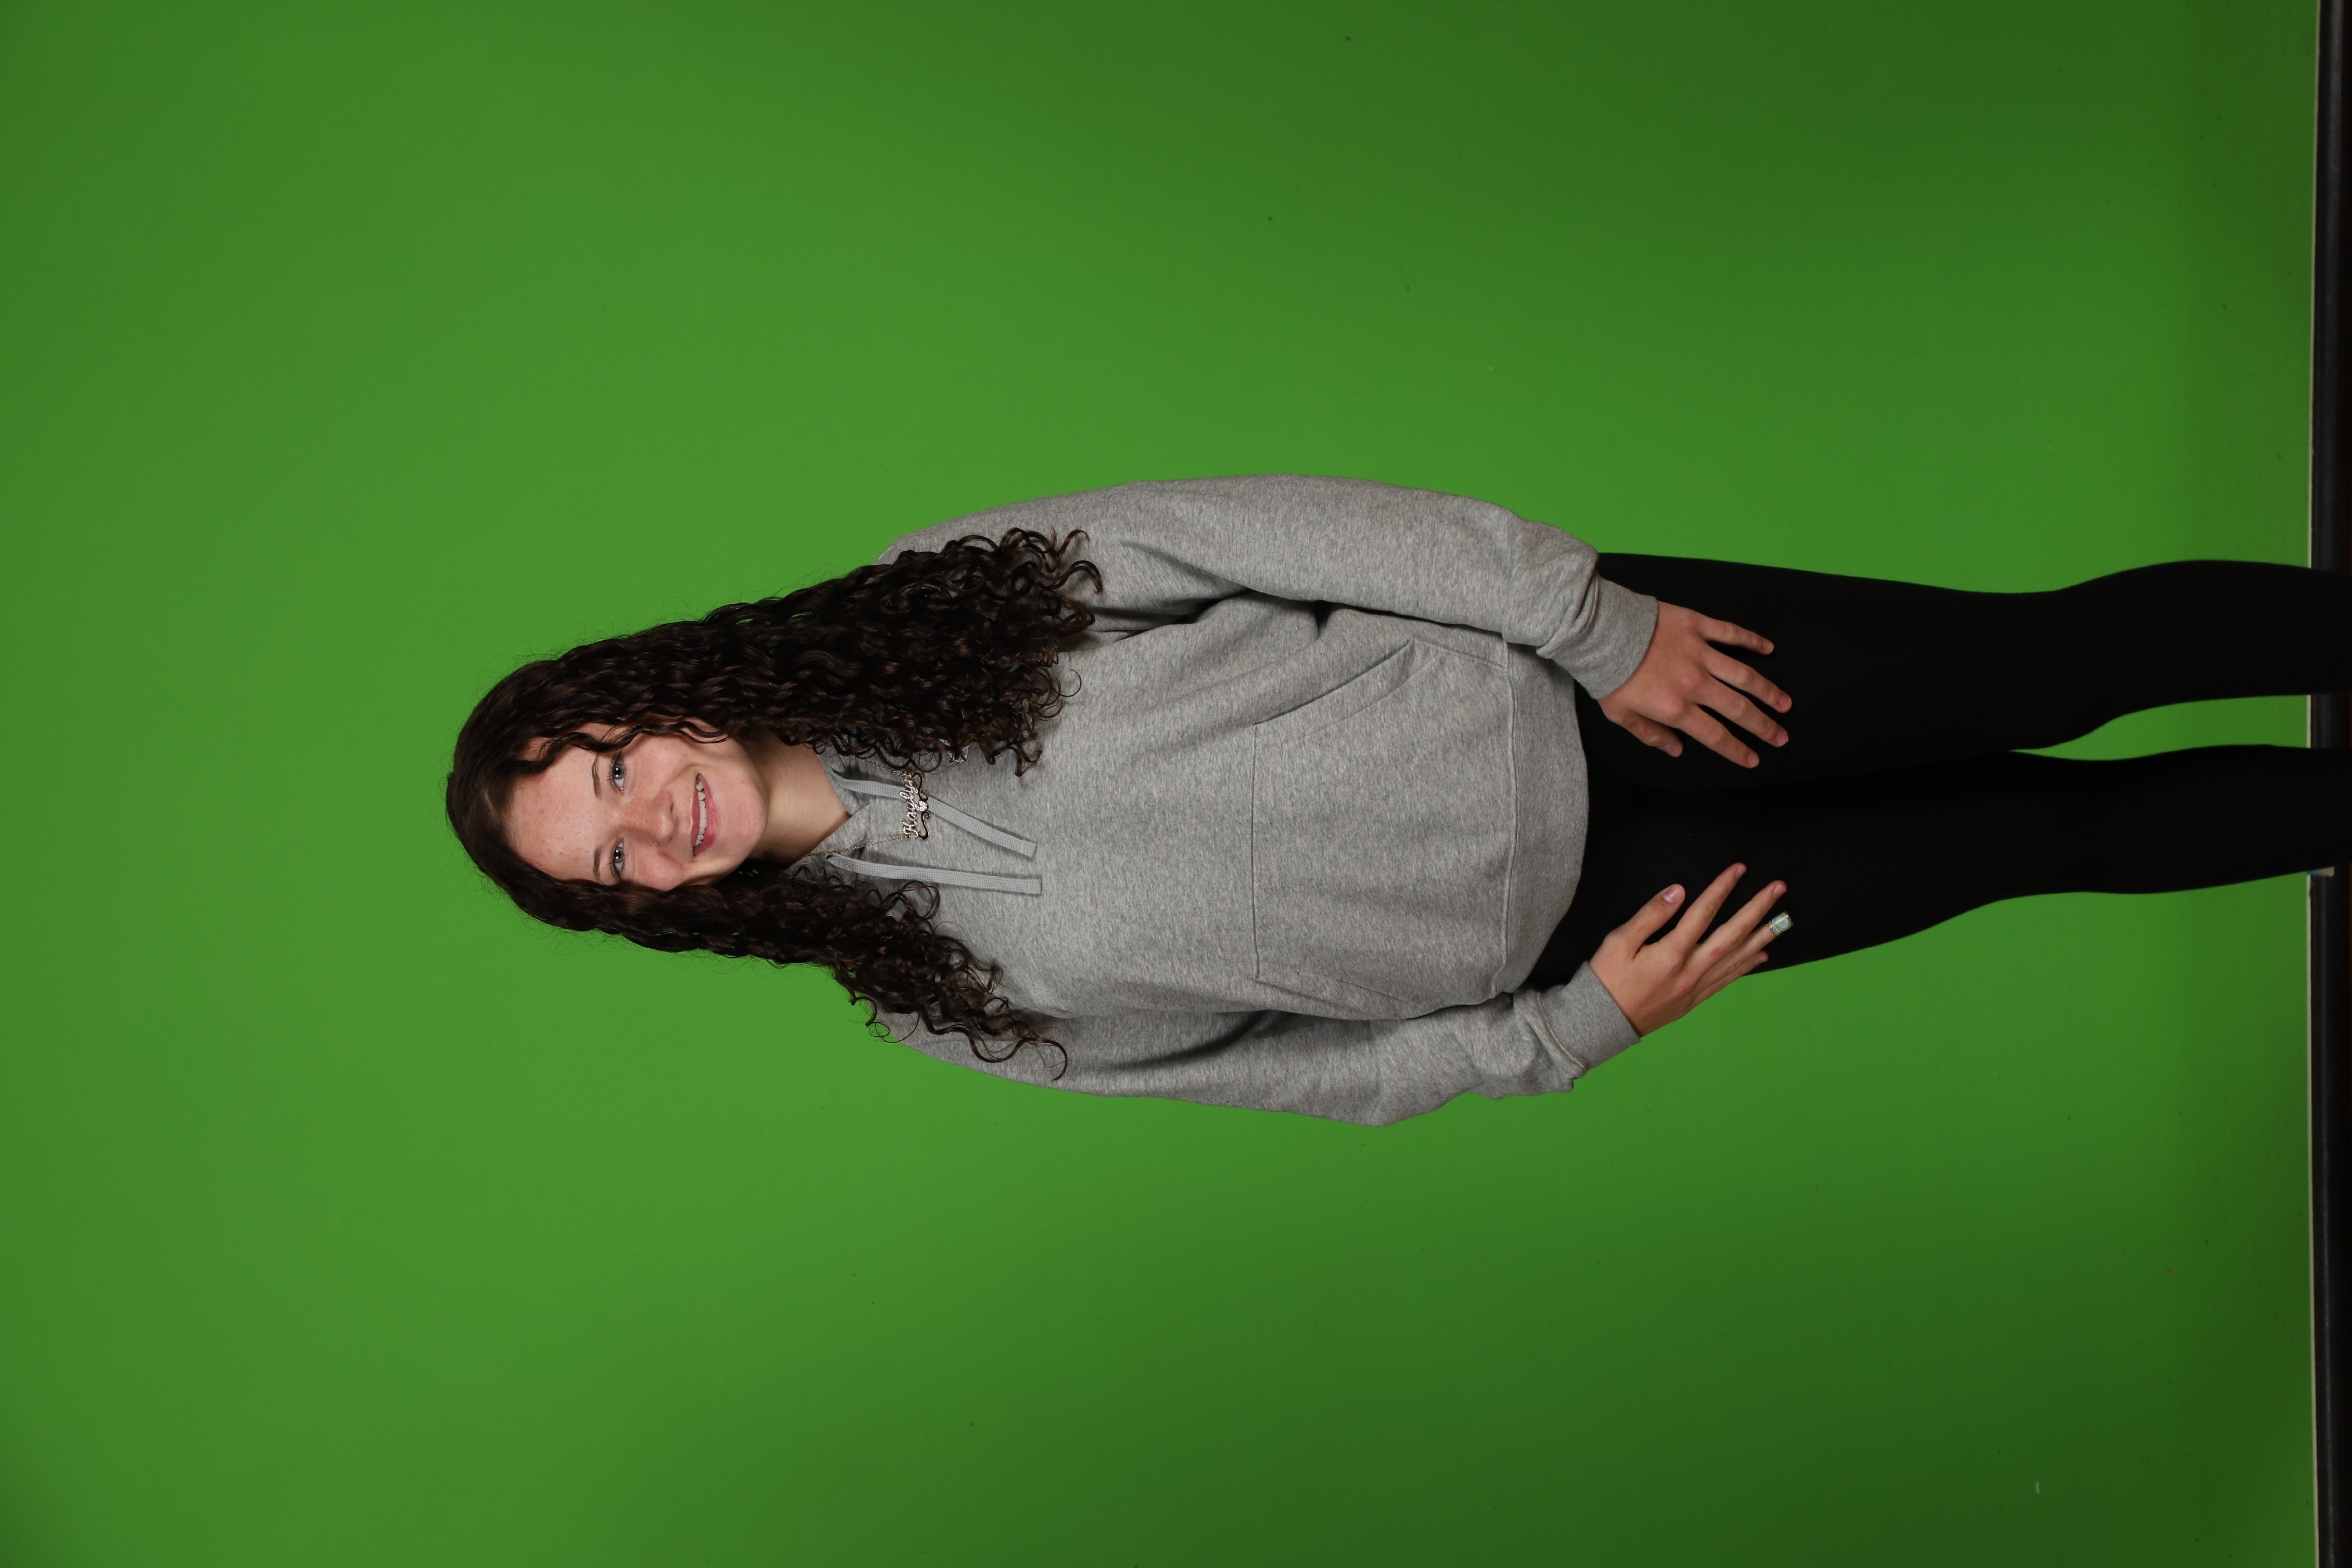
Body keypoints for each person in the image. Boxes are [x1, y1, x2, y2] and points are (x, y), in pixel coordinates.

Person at [446, 474, 2352, 1125]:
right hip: (1601, 929)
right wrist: (1565, 1035)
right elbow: (1297, 1076)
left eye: (613, 773)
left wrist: (1592, 624)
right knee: (2041, 841)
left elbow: (1282, 530)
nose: (652, 823)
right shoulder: (930, 1004)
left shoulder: (923, 599)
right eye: (612, 864)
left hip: (1594, 696)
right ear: (646, 909)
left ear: (647, 700)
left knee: (2050, 669)